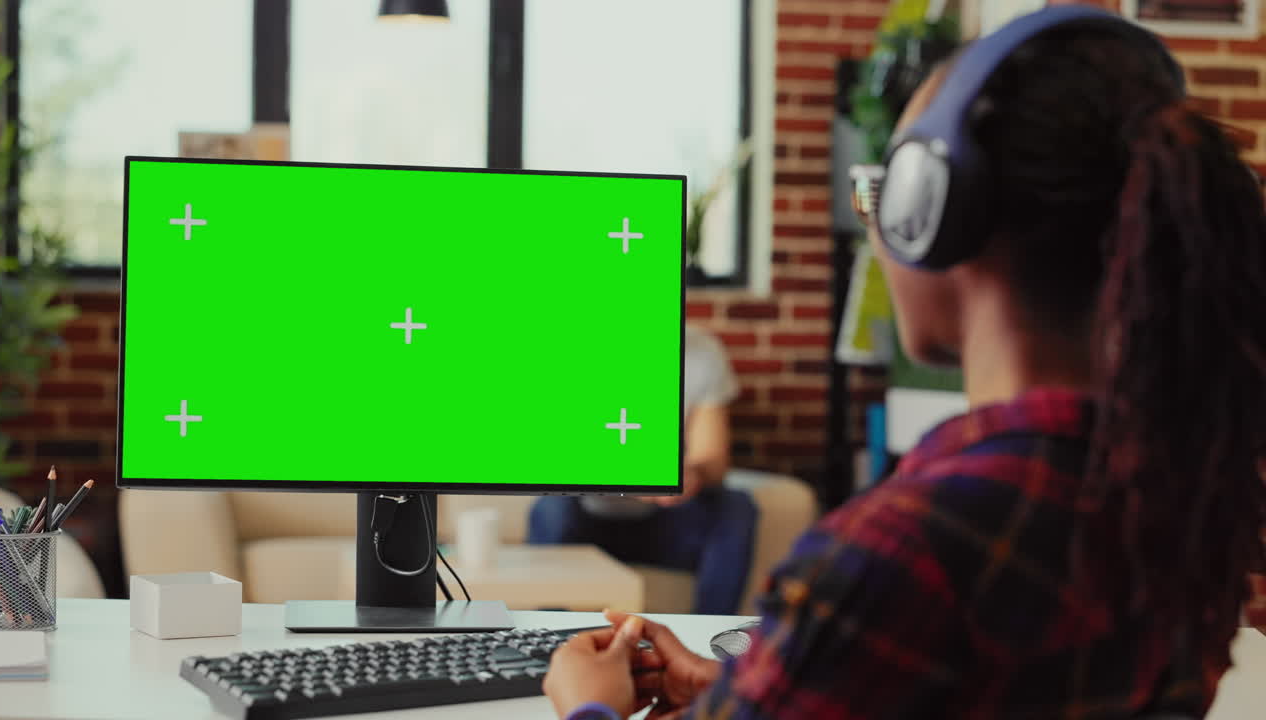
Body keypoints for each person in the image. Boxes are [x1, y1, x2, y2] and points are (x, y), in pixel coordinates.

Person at [542, 7, 1266, 719]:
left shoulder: (908, 545)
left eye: (881, 193)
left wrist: (590, 709)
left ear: (930, 211)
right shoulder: (1188, 498)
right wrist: (727, 692)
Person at [527, 325, 758, 615]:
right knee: (550, 507)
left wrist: (690, 474)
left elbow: (712, 458)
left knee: (736, 507)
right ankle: (552, 643)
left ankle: (710, 649)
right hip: (587, 522)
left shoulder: (702, 351)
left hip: (668, 522)